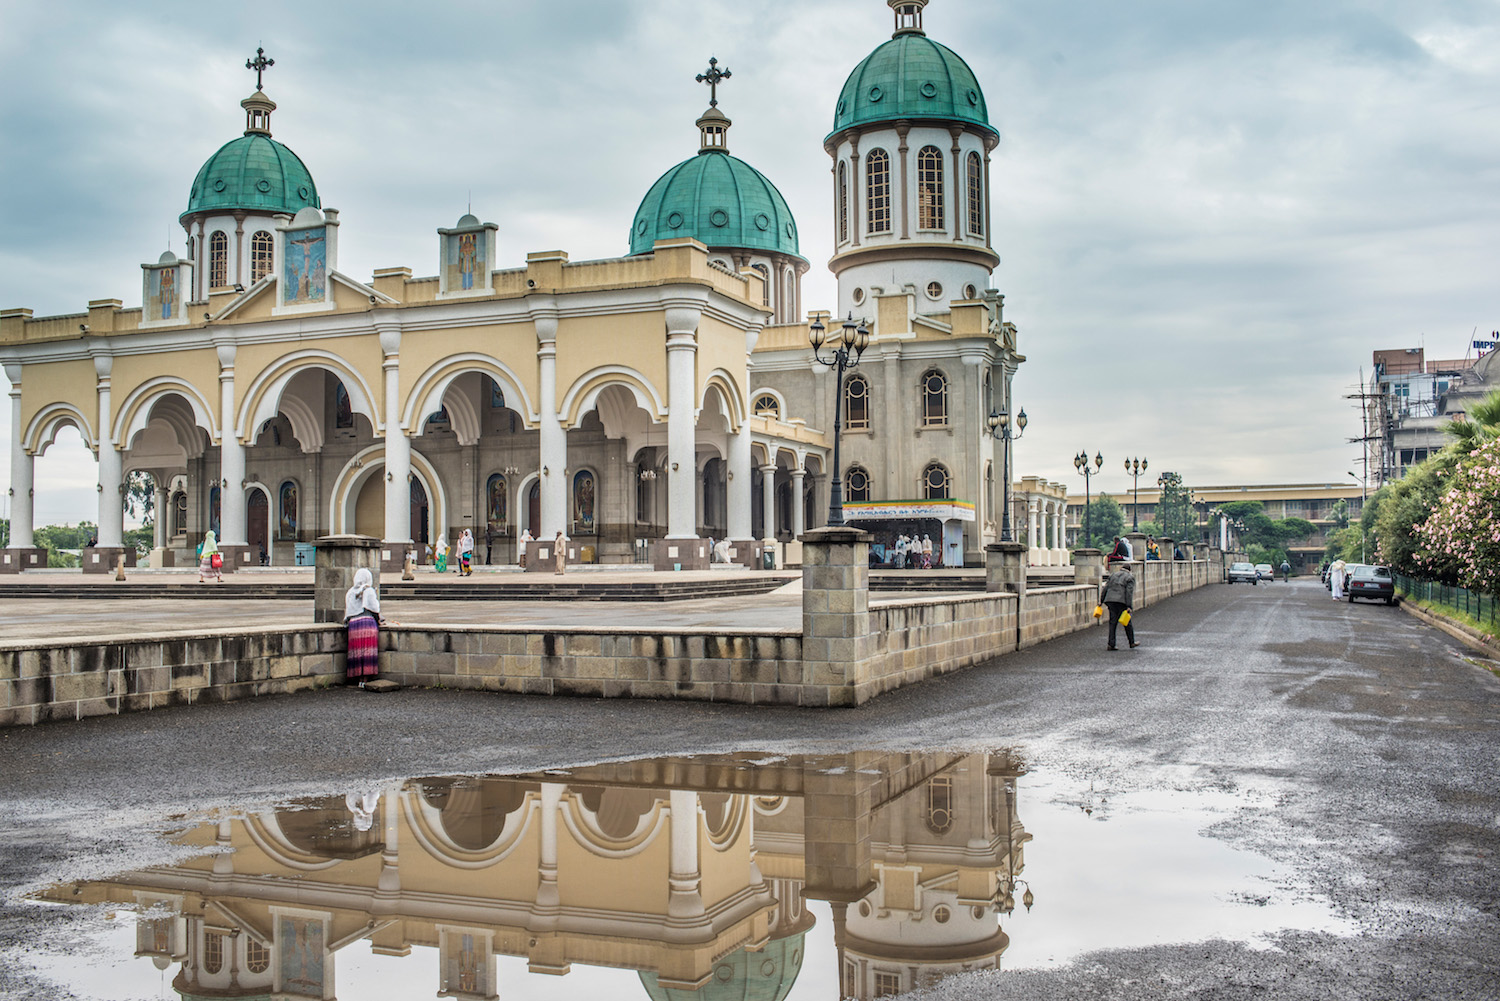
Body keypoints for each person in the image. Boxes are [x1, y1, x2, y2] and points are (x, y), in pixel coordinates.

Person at [343, 567, 381, 685]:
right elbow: (374, 609)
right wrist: (379, 620)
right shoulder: (368, 590)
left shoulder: (350, 592)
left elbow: (348, 612)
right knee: (367, 651)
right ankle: (365, 679)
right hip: (367, 624)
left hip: (354, 625)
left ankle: (357, 678)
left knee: (357, 651)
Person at [1099, 555, 1138, 650]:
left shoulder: (1113, 575)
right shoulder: (1130, 577)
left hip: (1110, 601)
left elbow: (1105, 588)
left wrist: (1101, 601)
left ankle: (1111, 644)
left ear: (1121, 568)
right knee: (1127, 622)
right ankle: (1131, 642)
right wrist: (1129, 606)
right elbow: (1129, 592)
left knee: (1112, 622)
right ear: (1129, 570)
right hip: (1121, 602)